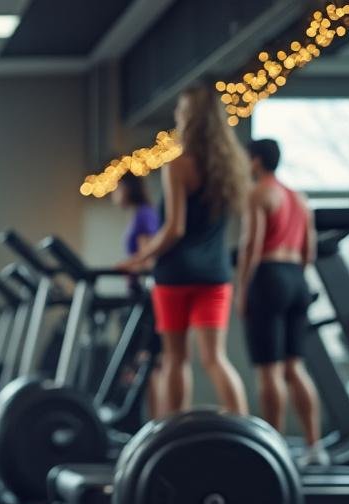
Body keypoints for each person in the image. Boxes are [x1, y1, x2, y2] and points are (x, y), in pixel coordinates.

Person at [119, 85, 249, 418]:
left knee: (175, 359)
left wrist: (141, 258)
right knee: (215, 358)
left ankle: (174, 431)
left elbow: (175, 228)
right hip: (215, 274)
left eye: (180, 111)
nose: (177, 115)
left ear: (189, 119)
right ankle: (245, 430)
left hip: (175, 275)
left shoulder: (178, 164)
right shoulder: (230, 168)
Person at [237, 138, 328, 466]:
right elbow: (309, 252)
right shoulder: (299, 199)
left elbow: (251, 244)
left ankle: (273, 448)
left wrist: (242, 289)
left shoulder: (259, 193)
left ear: (257, 161)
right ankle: (314, 446)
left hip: (268, 274)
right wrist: (294, 280)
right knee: (294, 367)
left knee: (269, 371)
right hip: (296, 278)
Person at [112, 172, 164, 418]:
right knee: (145, 364)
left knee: (149, 363)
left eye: (117, 189)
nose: (114, 195)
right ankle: (149, 423)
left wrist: (127, 265)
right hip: (138, 295)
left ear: (128, 188)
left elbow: (148, 260)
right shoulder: (139, 215)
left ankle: (155, 423)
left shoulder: (144, 215)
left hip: (146, 296)